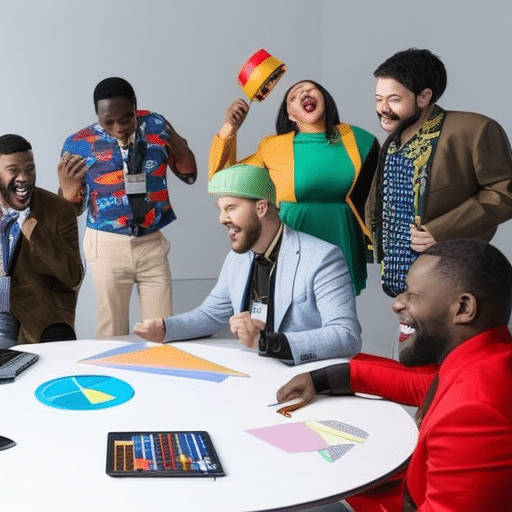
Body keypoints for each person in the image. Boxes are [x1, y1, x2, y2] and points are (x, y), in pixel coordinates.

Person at [277, 238, 512, 511]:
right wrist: (321, 379)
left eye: (412, 295)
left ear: (463, 308)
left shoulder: (476, 408)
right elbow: (418, 385)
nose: (396, 304)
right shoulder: (488, 359)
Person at [135, 164, 361, 365]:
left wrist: (267, 342)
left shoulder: (323, 257)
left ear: (261, 208)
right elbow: (210, 316)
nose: (222, 219)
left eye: (231, 208)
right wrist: (165, 328)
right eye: (221, 209)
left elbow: (346, 335)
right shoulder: (237, 259)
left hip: (303, 378)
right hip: (253, 372)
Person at [209, 80, 380, 295]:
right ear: (290, 115)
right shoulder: (273, 147)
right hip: (293, 239)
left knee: (336, 312)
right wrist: (230, 128)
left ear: (325, 98)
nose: (303, 95)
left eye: (309, 90)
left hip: (342, 237)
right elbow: (223, 178)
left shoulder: (360, 140)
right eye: (293, 97)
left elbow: (380, 192)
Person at [58, 77, 197, 337]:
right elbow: (72, 210)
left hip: (151, 242)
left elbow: (190, 176)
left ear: (136, 107)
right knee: (111, 334)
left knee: (161, 332)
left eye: (126, 118)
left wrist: (181, 147)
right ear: (97, 115)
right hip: (107, 245)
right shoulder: (78, 144)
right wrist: (67, 190)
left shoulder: (156, 125)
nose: (119, 127)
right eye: (108, 121)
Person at [368, 48, 512, 297]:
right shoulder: (390, 142)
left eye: (394, 99)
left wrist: (443, 230)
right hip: (396, 277)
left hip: (452, 276)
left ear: (424, 97)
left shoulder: (474, 129)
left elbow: (504, 191)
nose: (383, 108)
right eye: (378, 99)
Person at [0, 134, 83, 344]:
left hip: (39, 306)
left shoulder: (59, 209)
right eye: (13, 170)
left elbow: (72, 275)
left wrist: (32, 228)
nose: (24, 177)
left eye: (30, 169)